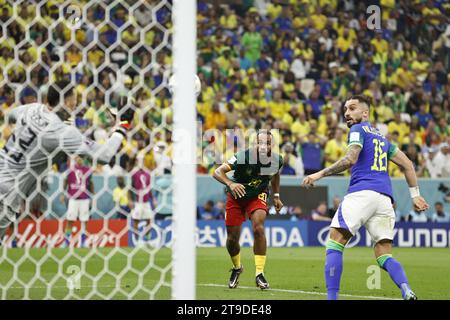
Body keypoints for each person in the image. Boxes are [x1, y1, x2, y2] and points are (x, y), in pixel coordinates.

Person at [302, 95, 429, 300]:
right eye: (345, 109)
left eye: (352, 108)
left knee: (335, 243)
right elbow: (408, 165)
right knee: (384, 253)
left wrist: (319, 173)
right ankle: (406, 289)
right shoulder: (383, 139)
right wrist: (415, 195)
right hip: (385, 200)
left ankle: (332, 298)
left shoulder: (357, 130)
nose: (347, 113)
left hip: (362, 194)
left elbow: (350, 159)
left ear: (365, 113)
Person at [0, 80, 134, 243]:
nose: (75, 104)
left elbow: (10, 116)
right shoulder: (62, 132)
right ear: (65, 101)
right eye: (74, 100)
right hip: (8, 191)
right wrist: (122, 126)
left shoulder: (31, 108)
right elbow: (104, 156)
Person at [213, 130, 283, 290]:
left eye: (267, 143)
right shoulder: (242, 157)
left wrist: (277, 195)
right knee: (232, 239)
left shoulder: (276, 160)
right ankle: (237, 268)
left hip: (257, 195)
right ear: (255, 144)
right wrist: (230, 184)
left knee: (258, 228)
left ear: (272, 145)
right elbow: (217, 172)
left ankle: (259, 273)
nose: (263, 146)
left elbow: (275, 174)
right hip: (236, 197)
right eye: (260, 142)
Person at [61, 155, 94, 247]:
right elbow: (66, 181)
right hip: (73, 198)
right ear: (75, 159)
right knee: (70, 220)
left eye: (82, 158)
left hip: (84, 198)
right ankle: (66, 242)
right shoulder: (70, 170)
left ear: (84, 160)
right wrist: (62, 194)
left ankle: (83, 242)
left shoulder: (87, 170)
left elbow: (90, 183)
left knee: (84, 220)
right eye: (78, 158)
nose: (80, 159)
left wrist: (93, 195)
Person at [130, 155, 155, 244]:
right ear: (136, 162)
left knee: (149, 220)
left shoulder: (148, 174)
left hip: (146, 202)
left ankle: (147, 239)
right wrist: (130, 200)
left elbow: (149, 188)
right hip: (137, 202)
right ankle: (136, 241)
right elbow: (130, 188)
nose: (140, 163)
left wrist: (153, 199)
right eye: (139, 161)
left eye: (142, 161)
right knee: (136, 220)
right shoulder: (133, 173)